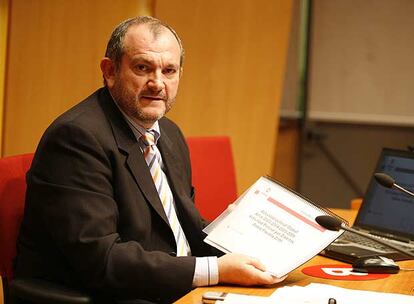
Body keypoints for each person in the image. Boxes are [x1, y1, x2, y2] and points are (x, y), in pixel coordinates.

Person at [15, 16, 284, 303]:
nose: (157, 83)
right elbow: (101, 259)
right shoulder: (76, 138)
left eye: (169, 70)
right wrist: (215, 270)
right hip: (108, 294)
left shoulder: (168, 133)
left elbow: (179, 227)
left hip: (175, 287)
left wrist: (237, 236)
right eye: (143, 68)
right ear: (110, 71)